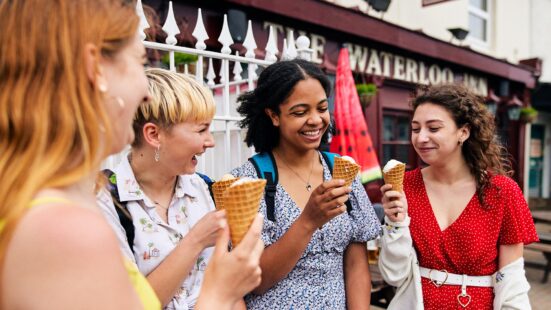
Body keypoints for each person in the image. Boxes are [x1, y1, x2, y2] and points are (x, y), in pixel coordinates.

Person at [0, 1, 262, 309]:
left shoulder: (53, 201)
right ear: (95, 68)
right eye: (140, 62)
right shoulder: (61, 228)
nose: (146, 92)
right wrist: (221, 294)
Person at [230, 58, 381, 309]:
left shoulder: (342, 172)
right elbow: (257, 281)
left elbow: (355, 263)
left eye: (322, 109)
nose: (315, 120)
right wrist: (308, 222)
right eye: (300, 112)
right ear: (273, 115)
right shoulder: (249, 180)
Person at [97, 68, 249, 309]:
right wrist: (197, 240)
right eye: (201, 130)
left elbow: (230, 291)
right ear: (154, 134)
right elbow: (130, 304)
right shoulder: (106, 201)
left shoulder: (202, 186)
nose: (210, 141)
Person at [379, 84, 539, 309]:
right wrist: (396, 223)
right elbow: (394, 275)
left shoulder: (502, 191)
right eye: (415, 129)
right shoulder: (405, 185)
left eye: (433, 128)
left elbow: (512, 281)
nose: (421, 138)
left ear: (463, 132)